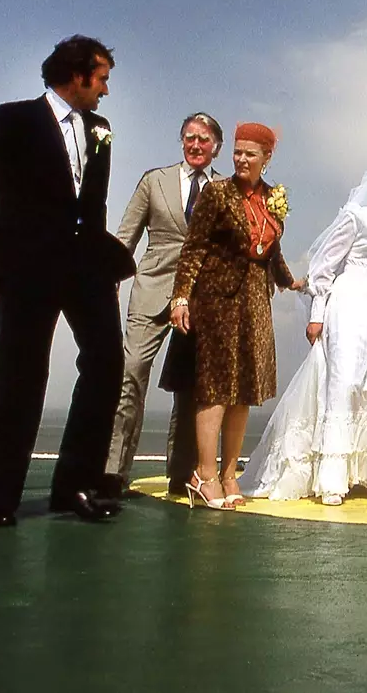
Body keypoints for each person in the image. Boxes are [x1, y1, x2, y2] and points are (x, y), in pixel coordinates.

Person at [0, 35, 135, 527]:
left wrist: (104, 269)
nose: (106, 90)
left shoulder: (100, 128)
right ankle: (0, 500)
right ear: (78, 75)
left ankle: (75, 488)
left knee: (109, 364)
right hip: (26, 266)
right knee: (21, 376)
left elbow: (94, 205)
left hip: (86, 267)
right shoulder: (14, 119)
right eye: (103, 78)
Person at [240, 147, 367, 505]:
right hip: (351, 302)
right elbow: (324, 267)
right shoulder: (356, 217)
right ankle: (332, 476)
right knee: (345, 381)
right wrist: (317, 312)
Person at [168, 122, 301, 509]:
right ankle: (204, 474)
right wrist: (180, 298)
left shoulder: (275, 197)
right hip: (217, 301)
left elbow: (271, 249)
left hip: (255, 303)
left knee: (244, 389)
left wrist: (290, 281)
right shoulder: (216, 192)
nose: (242, 159)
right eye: (238, 152)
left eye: (250, 154)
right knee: (215, 388)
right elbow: (193, 248)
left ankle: (229, 475)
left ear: (267, 158)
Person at [103, 113, 225, 498]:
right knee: (131, 374)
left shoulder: (226, 189)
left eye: (204, 139)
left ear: (216, 146)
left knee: (191, 386)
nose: (195, 145)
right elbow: (126, 237)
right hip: (152, 289)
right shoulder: (153, 182)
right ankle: (112, 472)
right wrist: (110, 280)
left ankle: (183, 471)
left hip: (203, 299)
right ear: (181, 141)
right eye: (189, 137)